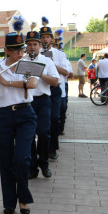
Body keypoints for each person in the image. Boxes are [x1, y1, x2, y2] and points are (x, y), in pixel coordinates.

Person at [0, 16, 38, 214]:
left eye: (23, 49)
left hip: (25, 114)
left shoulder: (29, 63)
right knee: (5, 160)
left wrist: (7, 82)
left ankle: (24, 199)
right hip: (3, 116)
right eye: (18, 50)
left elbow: (31, 85)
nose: (22, 53)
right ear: (8, 51)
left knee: (21, 159)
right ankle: (9, 201)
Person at [24, 30, 59, 179]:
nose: (32, 47)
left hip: (43, 100)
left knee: (44, 133)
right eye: (29, 44)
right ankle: (32, 168)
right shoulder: (22, 61)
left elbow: (55, 82)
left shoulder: (47, 61)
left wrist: (39, 73)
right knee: (29, 135)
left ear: (39, 46)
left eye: (35, 44)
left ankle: (43, 163)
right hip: (27, 101)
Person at [39, 19, 62, 162]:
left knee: (54, 118)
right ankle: (41, 149)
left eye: (47, 37)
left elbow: (67, 73)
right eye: (42, 37)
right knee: (42, 124)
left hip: (54, 89)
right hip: (40, 89)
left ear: (51, 39)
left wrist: (53, 64)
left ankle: (52, 148)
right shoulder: (36, 52)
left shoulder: (59, 54)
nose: (45, 39)